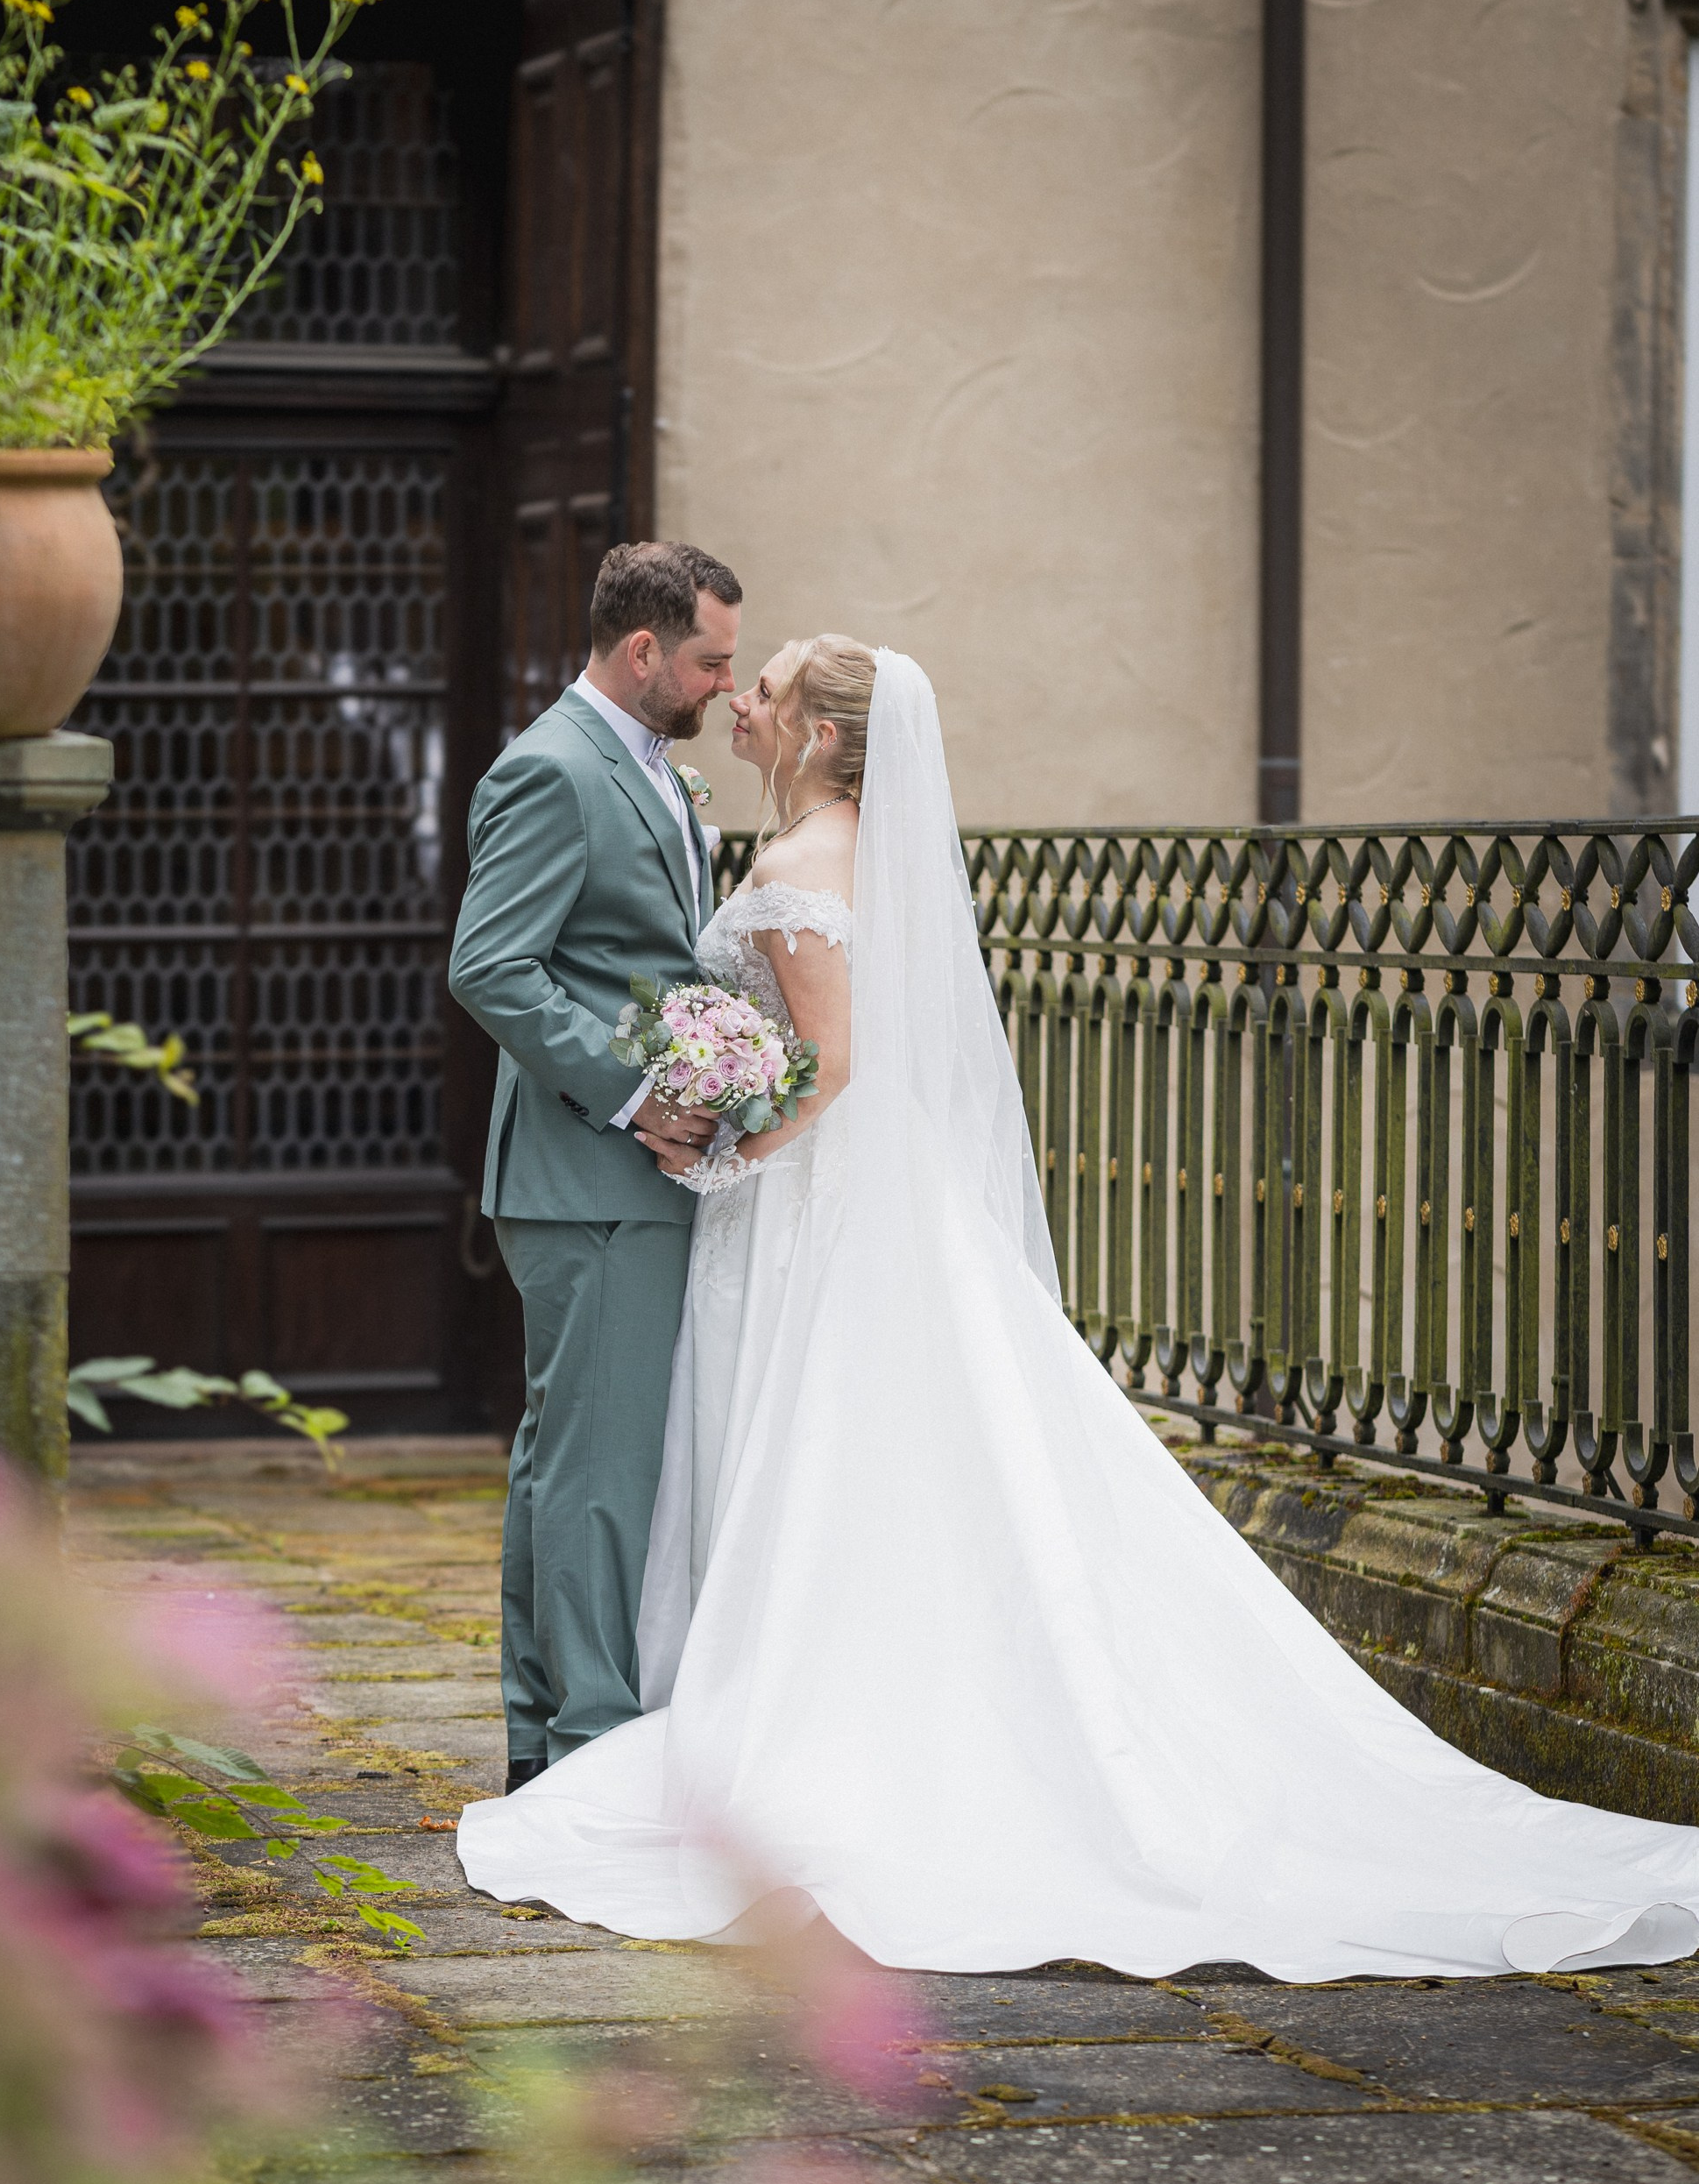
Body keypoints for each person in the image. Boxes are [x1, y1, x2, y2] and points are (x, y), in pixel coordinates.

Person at [458, 642, 1699, 1980]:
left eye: (762, 688)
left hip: (813, 1206)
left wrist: (716, 1149)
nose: (741, 705)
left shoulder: (807, 866)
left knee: (834, 1458)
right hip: (843, 1209)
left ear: (819, 734)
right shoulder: (843, 846)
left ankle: (833, 1726)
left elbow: (831, 1070)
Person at [448, 540, 740, 1788]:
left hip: (618, 1179)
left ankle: (547, 1743)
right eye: (709, 660)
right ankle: (588, 1749)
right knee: (600, 1474)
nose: (724, 684)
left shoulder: (653, 774)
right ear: (642, 652)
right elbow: (491, 967)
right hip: (589, 1175)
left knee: (565, 1459)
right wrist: (636, 1097)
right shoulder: (554, 771)